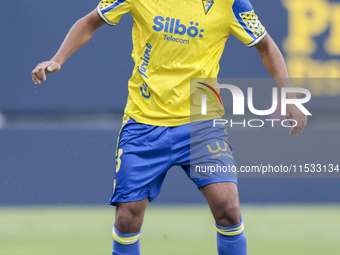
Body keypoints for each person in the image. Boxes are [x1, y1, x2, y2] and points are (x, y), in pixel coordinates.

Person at [32, 0, 307, 254]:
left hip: (201, 124)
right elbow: (90, 21)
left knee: (228, 208)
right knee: (127, 218)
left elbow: (266, 45)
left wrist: (289, 96)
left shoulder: (230, 2)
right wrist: (58, 59)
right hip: (144, 123)